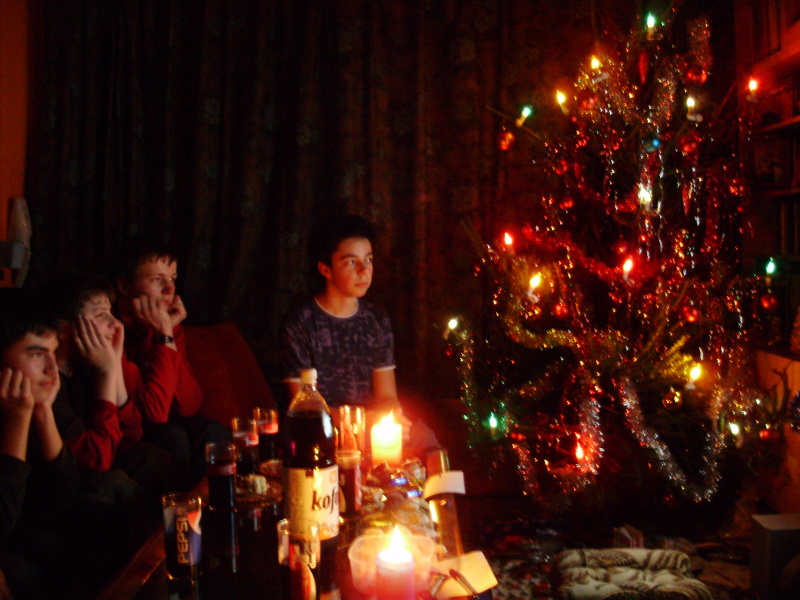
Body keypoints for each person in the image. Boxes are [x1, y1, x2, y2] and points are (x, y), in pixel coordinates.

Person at [279, 215, 438, 454]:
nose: (364, 271)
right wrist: (360, 421)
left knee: (425, 439)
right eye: (351, 262)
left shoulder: (376, 321)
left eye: (369, 260)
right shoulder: (299, 324)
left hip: (374, 429)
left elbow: (387, 396)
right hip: (323, 433)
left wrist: (391, 417)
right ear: (325, 269)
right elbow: (305, 409)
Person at [0, 287, 122, 599]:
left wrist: (42, 412)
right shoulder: (13, 410)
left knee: (102, 514)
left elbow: (63, 492)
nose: (52, 369)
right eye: (37, 354)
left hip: (30, 526)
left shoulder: (34, 400)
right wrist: (18, 418)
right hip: (11, 538)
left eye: (54, 354)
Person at [46, 273, 175, 502]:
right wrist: (107, 373)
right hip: (63, 488)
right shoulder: (49, 384)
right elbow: (98, 460)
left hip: (97, 463)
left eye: (111, 314)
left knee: (153, 458)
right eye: (101, 315)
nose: (116, 324)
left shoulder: (85, 369)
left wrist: (114, 366)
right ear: (64, 328)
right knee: (113, 485)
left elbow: (131, 437)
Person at [113, 238, 229, 488]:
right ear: (124, 286)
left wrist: (167, 333)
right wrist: (164, 334)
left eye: (172, 279)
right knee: (171, 436)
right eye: (157, 280)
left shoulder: (167, 326)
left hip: (161, 419)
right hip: (127, 430)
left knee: (212, 431)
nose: (169, 289)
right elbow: (154, 414)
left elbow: (189, 405)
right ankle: (182, 510)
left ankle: (214, 507)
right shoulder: (111, 330)